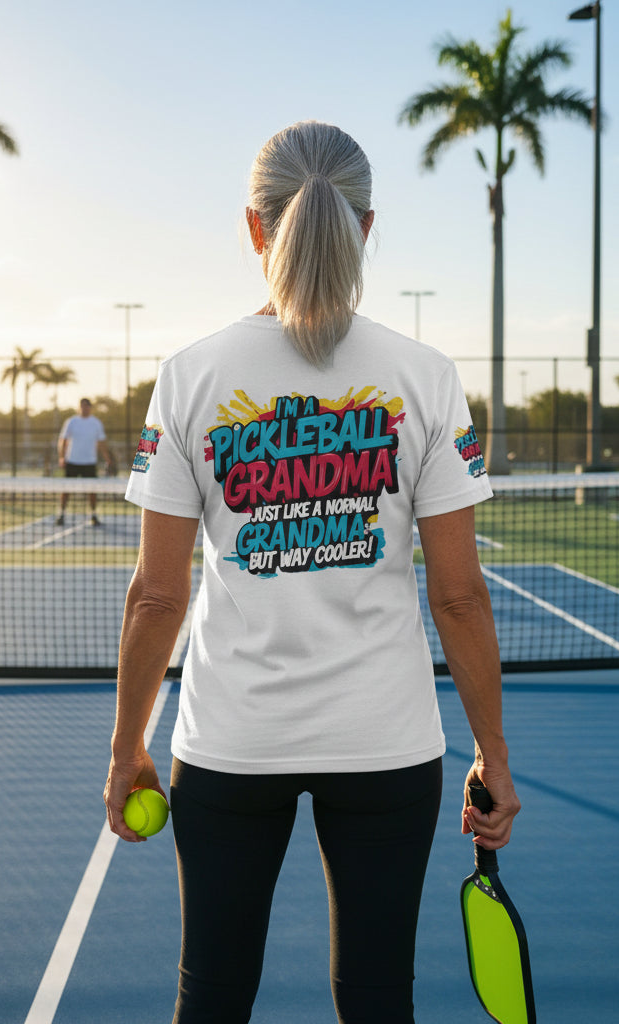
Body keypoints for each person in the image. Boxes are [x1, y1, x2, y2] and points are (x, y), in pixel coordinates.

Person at [103, 121, 520, 1024]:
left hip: (229, 742)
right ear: (369, 229)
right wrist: (493, 750)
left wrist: (126, 747)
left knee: (209, 999)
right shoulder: (428, 378)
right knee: (375, 1001)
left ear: (253, 228)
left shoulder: (188, 377)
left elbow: (157, 595)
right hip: (389, 745)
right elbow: (458, 595)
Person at [56, 398, 112, 525]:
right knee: (66, 489)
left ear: (90, 408)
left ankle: (93, 515)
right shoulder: (71, 422)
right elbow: (62, 440)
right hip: (72, 462)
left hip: (89, 462)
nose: (84, 408)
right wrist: (61, 457)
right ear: (79, 407)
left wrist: (107, 458)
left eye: (86, 406)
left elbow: (102, 443)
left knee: (91, 490)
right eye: (82, 406)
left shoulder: (96, 423)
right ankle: (62, 514)